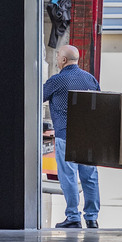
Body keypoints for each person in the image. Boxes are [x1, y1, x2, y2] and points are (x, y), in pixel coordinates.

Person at [42, 45, 101, 228]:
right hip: (88, 137)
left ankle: (73, 217)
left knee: (68, 176)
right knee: (90, 177)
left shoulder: (57, 80)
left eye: (58, 55)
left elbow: (35, 97)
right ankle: (91, 218)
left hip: (65, 136)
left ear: (64, 60)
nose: (57, 58)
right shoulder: (90, 79)